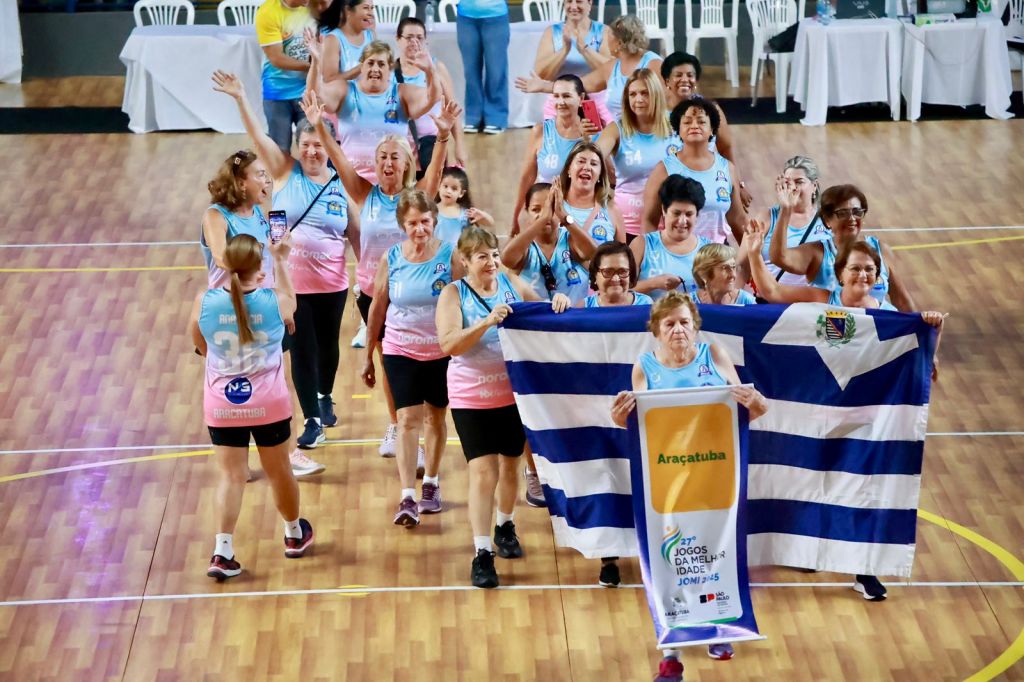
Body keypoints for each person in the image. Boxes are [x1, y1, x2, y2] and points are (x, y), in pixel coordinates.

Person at [610, 291, 769, 670]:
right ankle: (671, 651)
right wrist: (618, 418)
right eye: (669, 323)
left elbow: (748, 411)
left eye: (684, 322)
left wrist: (757, 402)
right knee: (671, 559)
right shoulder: (644, 368)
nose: (678, 329)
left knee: (714, 552)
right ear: (656, 331)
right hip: (667, 480)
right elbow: (640, 429)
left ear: (695, 327)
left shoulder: (714, 355)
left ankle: (718, 629)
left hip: (714, 474)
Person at [214, 70, 360, 473]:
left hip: (332, 283)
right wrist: (241, 98)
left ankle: (325, 396)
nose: (311, 151)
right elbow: (257, 136)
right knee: (301, 350)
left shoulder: (340, 183)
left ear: (329, 148)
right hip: (289, 285)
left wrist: (366, 278)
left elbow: (356, 233)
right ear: (297, 147)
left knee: (328, 348)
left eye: (318, 145)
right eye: (305, 145)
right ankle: (312, 418)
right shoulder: (283, 171)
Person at [304, 88, 460, 457]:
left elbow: (436, 172)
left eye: (394, 157)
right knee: (391, 362)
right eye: (382, 157)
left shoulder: (418, 196)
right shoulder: (364, 193)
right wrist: (319, 126)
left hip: (416, 292)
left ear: (406, 163)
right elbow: (339, 158)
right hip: (373, 293)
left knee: (423, 362)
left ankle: (421, 428)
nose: (387, 163)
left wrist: (442, 137)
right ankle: (398, 426)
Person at [436, 227, 571, 588]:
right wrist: (485, 322)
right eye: (482, 256)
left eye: (494, 254)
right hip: (470, 395)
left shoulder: (509, 282)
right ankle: (482, 552)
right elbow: (449, 344)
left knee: (511, 465)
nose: (491, 262)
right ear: (465, 260)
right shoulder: (453, 294)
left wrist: (558, 301)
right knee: (483, 472)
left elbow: (541, 312)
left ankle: (505, 524)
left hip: (512, 393)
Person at [188, 234, 314, 581]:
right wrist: (282, 260)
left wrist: (219, 361)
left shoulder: (204, 300)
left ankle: (223, 550)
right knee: (280, 472)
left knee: (231, 476)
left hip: (222, 403)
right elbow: (291, 301)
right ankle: (293, 533)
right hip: (267, 403)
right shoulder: (274, 302)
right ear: (260, 269)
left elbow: (198, 340)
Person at [362, 190, 463, 527]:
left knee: (435, 417)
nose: (420, 229)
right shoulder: (391, 258)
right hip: (400, 348)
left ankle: (431, 482)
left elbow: (465, 301)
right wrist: (368, 354)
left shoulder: (449, 256)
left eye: (425, 222)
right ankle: (407, 495)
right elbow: (378, 306)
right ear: (402, 226)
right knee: (406, 420)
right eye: (412, 223)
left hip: (440, 350)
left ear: (434, 220)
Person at [502, 182, 597, 506]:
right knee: (533, 408)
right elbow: (507, 257)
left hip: (574, 337)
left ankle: (575, 468)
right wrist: (538, 221)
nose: (545, 215)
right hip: (532, 341)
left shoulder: (571, 239)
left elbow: (596, 256)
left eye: (551, 208)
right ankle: (534, 471)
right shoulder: (524, 246)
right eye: (536, 208)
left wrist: (565, 218)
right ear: (526, 213)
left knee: (574, 407)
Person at [307, 33, 440, 184]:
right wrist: (316, 62)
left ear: (390, 68)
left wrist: (430, 71)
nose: (375, 68)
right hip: (351, 182)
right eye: (370, 63)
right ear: (361, 66)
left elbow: (432, 97)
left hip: (393, 183)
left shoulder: (401, 93)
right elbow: (315, 95)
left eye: (381, 64)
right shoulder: (345, 90)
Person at [769, 184, 918, 311]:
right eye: (843, 213)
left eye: (857, 212)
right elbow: (779, 257)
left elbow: (901, 300)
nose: (852, 218)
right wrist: (786, 211)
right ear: (827, 220)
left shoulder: (880, 249)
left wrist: (920, 328)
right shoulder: (817, 252)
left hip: (872, 334)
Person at [515, 15, 663, 123]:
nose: (606, 41)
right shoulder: (612, 67)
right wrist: (543, 86)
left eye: (609, 37)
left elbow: (666, 104)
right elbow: (579, 85)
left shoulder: (653, 63)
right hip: (617, 133)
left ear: (619, 43)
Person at [642, 97, 747, 244]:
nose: (694, 126)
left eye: (701, 122)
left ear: (712, 129)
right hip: (677, 252)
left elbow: (737, 218)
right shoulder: (663, 170)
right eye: (687, 122)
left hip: (717, 253)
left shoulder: (727, 168)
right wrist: (653, 252)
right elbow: (649, 220)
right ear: (678, 129)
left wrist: (753, 255)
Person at [594, 68, 679, 241]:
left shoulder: (677, 124)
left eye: (644, 93)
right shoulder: (616, 129)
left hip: (673, 225)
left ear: (656, 94)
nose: (638, 99)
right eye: (632, 94)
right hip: (626, 226)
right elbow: (594, 156)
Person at [512, 75, 596, 233]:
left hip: (582, 215)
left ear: (581, 98)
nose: (560, 102)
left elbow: (608, 176)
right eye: (556, 96)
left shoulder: (593, 133)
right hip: (548, 217)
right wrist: (516, 216)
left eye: (566, 96)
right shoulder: (541, 131)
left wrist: (589, 142)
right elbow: (527, 178)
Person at [394, 18, 468, 174]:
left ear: (425, 41)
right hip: (400, 146)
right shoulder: (389, 71)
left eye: (419, 38)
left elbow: (452, 109)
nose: (414, 42)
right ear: (398, 39)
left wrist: (459, 145)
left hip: (432, 145)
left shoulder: (437, 69)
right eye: (409, 38)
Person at [750, 156, 830, 289]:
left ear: (814, 186)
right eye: (787, 182)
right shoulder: (767, 217)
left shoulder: (828, 219)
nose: (792, 187)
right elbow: (742, 266)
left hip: (813, 298)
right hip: (771, 298)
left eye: (799, 182)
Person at [200, 150, 275, 291]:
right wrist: (250, 275)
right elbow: (220, 258)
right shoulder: (215, 216)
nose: (268, 180)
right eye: (261, 174)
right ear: (241, 184)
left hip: (261, 296)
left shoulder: (256, 210)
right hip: (230, 299)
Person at [632, 175, 714, 300]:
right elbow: (622, 292)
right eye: (676, 213)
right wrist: (653, 284)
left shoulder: (709, 250)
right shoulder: (642, 244)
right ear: (664, 211)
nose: (682, 221)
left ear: (697, 215)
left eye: (689, 214)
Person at [532, 0, 613, 122]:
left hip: (596, 100)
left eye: (579, 1)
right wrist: (564, 51)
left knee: (600, 133)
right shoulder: (552, 32)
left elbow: (612, 72)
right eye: (569, 1)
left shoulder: (604, 31)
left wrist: (585, 49)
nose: (574, 6)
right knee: (544, 131)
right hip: (561, 99)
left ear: (590, 3)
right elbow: (541, 74)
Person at [255, 0, 316, 153]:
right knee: (280, 150)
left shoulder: (316, 6)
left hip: (308, 91)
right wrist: (314, 66)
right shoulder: (268, 12)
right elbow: (277, 58)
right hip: (278, 92)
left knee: (312, 149)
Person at [456, 0, 511, 134]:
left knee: (496, 70)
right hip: (466, 16)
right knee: (470, 72)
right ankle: (473, 117)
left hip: (496, 15)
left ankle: (496, 118)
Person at [557, 141, 625, 245]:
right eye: (581, 161)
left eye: (593, 164)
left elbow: (622, 253)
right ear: (568, 169)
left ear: (600, 175)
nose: (587, 167)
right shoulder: (553, 205)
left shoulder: (612, 210)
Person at [580, 241, 654, 308]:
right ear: (595, 275)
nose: (615, 279)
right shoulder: (584, 307)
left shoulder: (646, 304)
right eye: (608, 271)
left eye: (622, 271)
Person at [435, 166, 495, 245]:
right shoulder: (432, 210)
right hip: (436, 252)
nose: (448, 191)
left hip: (459, 252)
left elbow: (490, 223)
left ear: (461, 193)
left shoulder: (465, 213)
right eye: (445, 186)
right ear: (438, 186)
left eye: (454, 189)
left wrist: (483, 215)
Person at [320, 0, 376, 82]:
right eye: (365, 8)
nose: (371, 13)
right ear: (348, 10)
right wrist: (360, 68)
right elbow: (328, 80)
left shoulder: (370, 34)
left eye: (372, 8)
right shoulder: (333, 40)